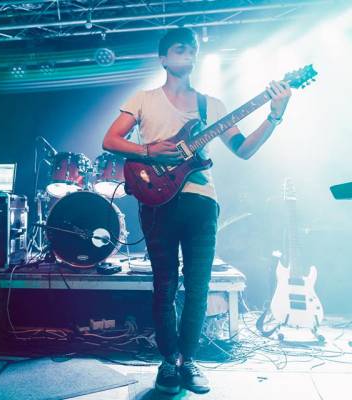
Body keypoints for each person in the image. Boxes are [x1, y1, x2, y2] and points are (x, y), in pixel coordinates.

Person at [102, 28, 291, 394]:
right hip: (157, 199)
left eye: (193, 49)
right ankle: (167, 361)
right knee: (164, 285)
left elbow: (244, 149)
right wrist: (148, 151)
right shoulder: (143, 99)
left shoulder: (211, 105)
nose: (189, 53)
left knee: (198, 287)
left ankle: (188, 361)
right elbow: (110, 140)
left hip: (202, 202)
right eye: (180, 49)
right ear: (163, 58)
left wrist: (274, 116)